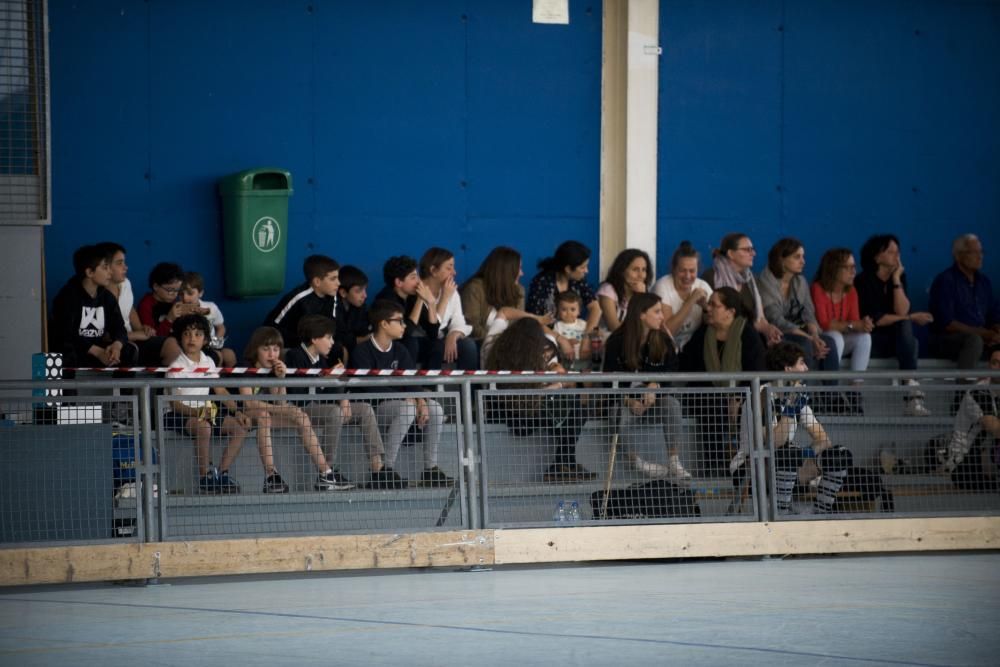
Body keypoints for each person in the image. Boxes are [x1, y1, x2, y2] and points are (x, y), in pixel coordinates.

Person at [732, 341, 855, 515]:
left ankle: (819, 513)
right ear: (787, 369)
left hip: (786, 466)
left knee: (839, 455)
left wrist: (804, 454)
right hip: (750, 469)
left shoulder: (795, 396)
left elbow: (824, 440)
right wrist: (789, 411)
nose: (806, 369)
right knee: (787, 453)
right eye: (801, 363)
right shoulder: (760, 396)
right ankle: (780, 516)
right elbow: (772, 443)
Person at [348, 299, 455, 489]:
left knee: (435, 408)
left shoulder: (400, 349)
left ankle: (430, 469)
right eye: (399, 321)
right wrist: (409, 400)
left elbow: (411, 381)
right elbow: (369, 388)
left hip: (402, 404)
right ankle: (385, 470)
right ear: (384, 323)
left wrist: (420, 400)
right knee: (407, 408)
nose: (404, 326)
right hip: (374, 409)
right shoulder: (362, 351)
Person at [485, 317, 596, 483]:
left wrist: (554, 374)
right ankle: (562, 464)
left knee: (572, 406)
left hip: (517, 415)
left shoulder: (500, 350)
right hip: (519, 419)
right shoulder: (521, 359)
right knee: (574, 405)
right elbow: (529, 398)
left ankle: (564, 464)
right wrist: (558, 384)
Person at [239, 326, 348, 493]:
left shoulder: (273, 370)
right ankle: (271, 476)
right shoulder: (245, 367)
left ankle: (326, 473)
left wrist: (281, 378)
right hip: (244, 417)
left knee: (301, 417)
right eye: (266, 349)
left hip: (268, 415)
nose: (271, 354)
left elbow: (280, 403)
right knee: (263, 416)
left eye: (275, 350)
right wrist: (286, 411)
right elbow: (249, 404)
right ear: (255, 350)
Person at [601, 292, 691, 481]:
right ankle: (638, 463)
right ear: (641, 314)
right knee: (616, 413)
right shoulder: (617, 341)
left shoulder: (663, 339)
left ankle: (674, 461)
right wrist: (629, 401)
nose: (662, 316)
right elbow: (608, 383)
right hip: (626, 405)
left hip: (652, 404)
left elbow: (672, 370)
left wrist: (655, 385)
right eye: (657, 311)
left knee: (671, 404)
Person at [679, 287, 767, 473]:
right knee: (713, 403)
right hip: (707, 399)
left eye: (714, 305)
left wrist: (736, 397)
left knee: (744, 407)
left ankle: (743, 467)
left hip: (744, 396)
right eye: (708, 303)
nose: (708, 308)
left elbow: (756, 373)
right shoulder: (703, 334)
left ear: (730, 312)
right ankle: (716, 467)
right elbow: (687, 367)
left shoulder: (749, 335)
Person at [163, 314, 249, 494]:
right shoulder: (175, 367)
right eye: (186, 334)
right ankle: (205, 477)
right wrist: (199, 412)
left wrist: (238, 412)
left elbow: (221, 391)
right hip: (178, 415)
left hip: (204, 413)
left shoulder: (208, 362)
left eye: (197, 334)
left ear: (205, 339)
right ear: (180, 338)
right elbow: (175, 405)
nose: (192, 338)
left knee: (240, 427)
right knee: (204, 427)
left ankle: (222, 474)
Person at [854, 234, 932, 416]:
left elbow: (902, 311)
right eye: (891, 252)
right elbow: (877, 319)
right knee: (909, 334)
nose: (897, 256)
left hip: (896, 343)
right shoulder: (863, 280)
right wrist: (911, 318)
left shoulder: (899, 277)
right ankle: (912, 391)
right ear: (877, 256)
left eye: (898, 252)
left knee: (908, 335)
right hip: (871, 341)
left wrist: (896, 280)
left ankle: (911, 392)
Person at [757, 238, 838, 377]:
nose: (803, 261)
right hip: (775, 334)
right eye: (797, 257)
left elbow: (809, 314)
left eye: (803, 257)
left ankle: (832, 396)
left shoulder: (801, 282)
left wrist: (815, 336)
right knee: (804, 344)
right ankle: (805, 395)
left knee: (828, 342)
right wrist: (810, 339)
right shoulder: (765, 281)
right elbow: (776, 319)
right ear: (782, 260)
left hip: (799, 332)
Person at [49, 244, 139, 369]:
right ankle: (69, 388)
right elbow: (65, 334)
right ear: (90, 272)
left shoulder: (106, 297)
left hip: (99, 350)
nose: (110, 271)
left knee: (129, 350)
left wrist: (117, 345)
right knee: (66, 353)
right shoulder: (67, 296)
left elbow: (119, 328)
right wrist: (96, 351)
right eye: (105, 267)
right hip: (78, 351)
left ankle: (121, 389)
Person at [95, 241, 180, 367]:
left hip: (131, 337)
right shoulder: (96, 293)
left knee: (172, 345)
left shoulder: (125, 284)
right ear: (105, 266)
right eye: (119, 263)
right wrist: (135, 335)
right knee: (131, 351)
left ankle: (160, 387)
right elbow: (103, 336)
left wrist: (142, 329)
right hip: (114, 343)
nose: (125, 267)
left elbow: (129, 309)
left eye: (124, 262)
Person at [461, 246, 552, 362]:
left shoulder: (519, 290)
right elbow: (471, 326)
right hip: (483, 344)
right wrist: (497, 341)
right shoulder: (475, 288)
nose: (522, 273)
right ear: (506, 270)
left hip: (510, 346)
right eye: (518, 268)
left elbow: (518, 325)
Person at [811, 248, 873, 411]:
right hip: (821, 340)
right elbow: (823, 323)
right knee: (834, 336)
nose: (854, 271)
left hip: (842, 339)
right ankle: (831, 391)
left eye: (854, 266)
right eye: (848, 267)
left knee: (864, 337)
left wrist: (863, 325)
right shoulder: (817, 288)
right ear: (834, 268)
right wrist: (853, 325)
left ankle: (855, 391)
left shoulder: (851, 291)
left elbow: (854, 321)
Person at [929, 234, 1000, 370]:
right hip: (947, 340)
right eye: (974, 252)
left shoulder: (984, 282)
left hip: (982, 337)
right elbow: (948, 324)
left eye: (981, 252)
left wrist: (997, 329)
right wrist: (984, 334)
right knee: (974, 340)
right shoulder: (946, 281)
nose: (980, 256)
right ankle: (964, 390)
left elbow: (994, 314)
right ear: (958, 256)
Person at [702, 233, 783, 346]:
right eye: (747, 250)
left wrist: (767, 329)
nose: (753, 253)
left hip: (747, 334)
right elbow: (707, 317)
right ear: (731, 254)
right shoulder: (712, 277)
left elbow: (757, 318)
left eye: (752, 249)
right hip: (720, 336)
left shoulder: (750, 280)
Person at [940, 345, 1000, 475]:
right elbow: (994, 427)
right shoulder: (978, 392)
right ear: (989, 366)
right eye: (995, 363)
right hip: (964, 462)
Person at [263, 254, 340, 352]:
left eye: (338, 278)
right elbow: (271, 328)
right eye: (333, 279)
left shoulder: (333, 296)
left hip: (314, 344)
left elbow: (330, 327)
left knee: (337, 349)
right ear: (317, 282)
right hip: (289, 346)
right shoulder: (298, 297)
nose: (338, 283)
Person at [417, 247, 477, 370]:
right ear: (433, 270)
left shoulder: (452, 292)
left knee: (468, 346)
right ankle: (430, 388)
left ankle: (469, 389)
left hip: (441, 340)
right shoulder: (417, 291)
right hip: (423, 342)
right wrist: (444, 298)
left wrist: (453, 335)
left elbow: (459, 321)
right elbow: (432, 329)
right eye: (449, 268)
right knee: (437, 345)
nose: (454, 272)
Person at [374, 255, 440, 363]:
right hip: (389, 346)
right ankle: (408, 379)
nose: (419, 281)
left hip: (408, 344)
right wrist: (420, 300)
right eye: (413, 277)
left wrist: (431, 303)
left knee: (437, 344)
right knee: (411, 342)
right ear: (399, 282)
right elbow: (405, 333)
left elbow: (433, 333)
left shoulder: (412, 296)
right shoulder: (386, 299)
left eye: (417, 276)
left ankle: (432, 380)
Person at [526, 240, 601, 333]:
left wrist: (587, 336)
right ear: (568, 269)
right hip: (546, 335)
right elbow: (534, 321)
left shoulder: (578, 280)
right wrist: (561, 339)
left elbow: (595, 308)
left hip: (572, 331)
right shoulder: (542, 282)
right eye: (582, 267)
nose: (586, 271)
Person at [652, 240, 713, 351]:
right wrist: (691, 300)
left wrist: (705, 308)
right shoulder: (663, 286)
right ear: (674, 269)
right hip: (664, 348)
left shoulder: (703, 286)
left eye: (692, 271)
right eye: (682, 270)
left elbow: (716, 323)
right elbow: (667, 332)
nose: (687, 276)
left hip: (692, 349)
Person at [180, 271, 237, 368]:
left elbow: (221, 327)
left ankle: (229, 381)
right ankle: (213, 379)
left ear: (200, 293)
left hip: (210, 345)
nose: (185, 298)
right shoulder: (177, 311)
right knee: (215, 357)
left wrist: (214, 343)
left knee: (229, 355)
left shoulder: (211, 307)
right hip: (190, 346)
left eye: (190, 293)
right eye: (181, 294)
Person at [136, 262, 201, 338]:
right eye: (170, 290)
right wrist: (169, 319)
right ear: (156, 286)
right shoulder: (146, 306)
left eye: (177, 290)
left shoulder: (173, 302)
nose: (174, 294)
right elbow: (153, 338)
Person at [596, 248, 652, 335]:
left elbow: (649, 324)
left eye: (644, 270)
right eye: (635, 270)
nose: (641, 275)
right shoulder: (608, 290)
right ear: (622, 271)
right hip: (608, 341)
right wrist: (640, 298)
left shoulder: (642, 291)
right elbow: (615, 328)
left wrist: (642, 297)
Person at [334, 265, 371, 357]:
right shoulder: (332, 308)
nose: (365, 295)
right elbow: (336, 338)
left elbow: (363, 330)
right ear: (343, 293)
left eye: (365, 289)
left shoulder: (360, 306)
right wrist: (364, 339)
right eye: (358, 291)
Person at [552, 291, 590, 371]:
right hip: (566, 362)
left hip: (584, 361)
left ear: (579, 311)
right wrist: (568, 341)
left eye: (572, 309)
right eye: (564, 309)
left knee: (588, 379)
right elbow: (555, 344)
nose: (568, 313)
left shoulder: (583, 324)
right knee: (569, 380)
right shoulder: (558, 326)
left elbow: (590, 336)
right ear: (558, 311)